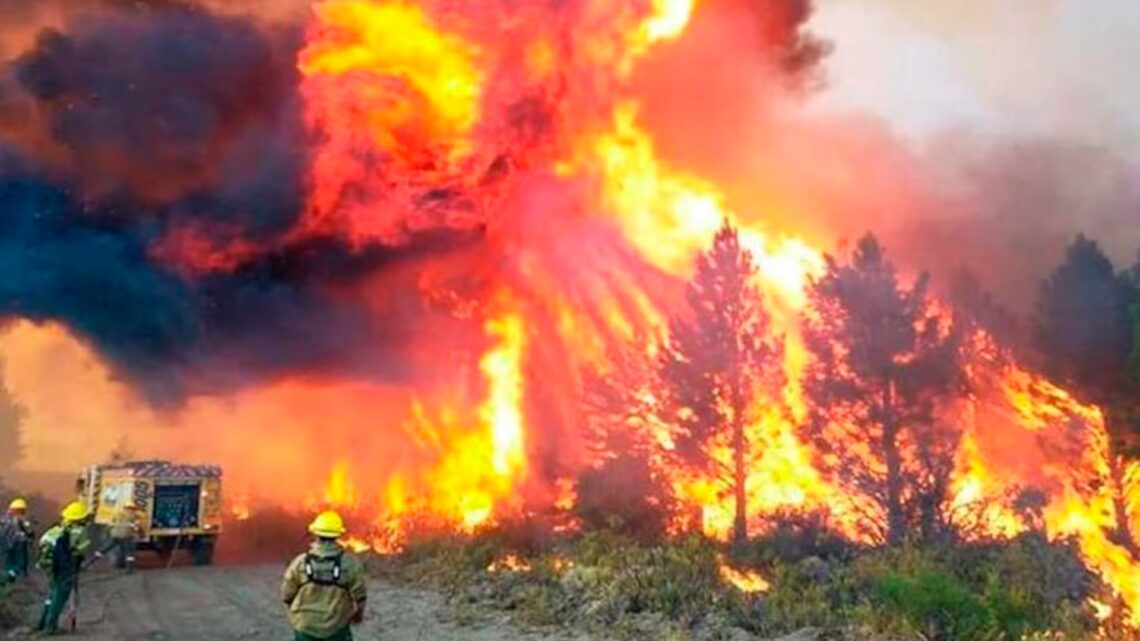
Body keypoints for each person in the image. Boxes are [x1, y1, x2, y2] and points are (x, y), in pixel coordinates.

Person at [281, 511, 367, 641]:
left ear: (315, 534)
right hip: (336, 627)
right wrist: (358, 614)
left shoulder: (300, 562)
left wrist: (296, 611)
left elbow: (287, 594)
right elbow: (360, 595)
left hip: (305, 627)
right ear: (338, 535)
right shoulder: (350, 564)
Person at [34, 501, 93, 635]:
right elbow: (81, 551)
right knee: (60, 595)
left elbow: (42, 543)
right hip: (64, 566)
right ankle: (50, 627)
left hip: (47, 564)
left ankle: (42, 623)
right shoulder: (79, 531)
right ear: (80, 518)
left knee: (52, 592)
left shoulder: (57, 528)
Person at [1, 498, 34, 581]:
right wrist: (30, 536)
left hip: (5, 543)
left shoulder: (3, 519)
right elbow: (29, 530)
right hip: (19, 542)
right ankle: (21, 579)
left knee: (9, 562)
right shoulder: (21, 518)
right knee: (21, 563)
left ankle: (9, 575)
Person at [107, 504, 142, 572]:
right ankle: (129, 569)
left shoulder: (117, 514)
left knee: (103, 550)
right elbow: (136, 528)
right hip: (127, 536)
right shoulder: (134, 516)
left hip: (115, 535)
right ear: (132, 509)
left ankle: (87, 564)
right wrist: (139, 533)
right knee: (129, 553)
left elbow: (110, 524)